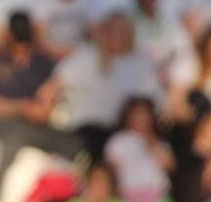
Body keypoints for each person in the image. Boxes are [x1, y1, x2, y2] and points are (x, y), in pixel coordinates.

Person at [0, 12, 79, 181]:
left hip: (34, 126)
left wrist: (43, 109)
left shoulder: (42, 62)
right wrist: (21, 108)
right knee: (12, 141)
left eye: (25, 47)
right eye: (17, 47)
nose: (21, 53)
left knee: (73, 144)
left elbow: (49, 100)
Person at [48, 12, 163, 160]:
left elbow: (154, 106)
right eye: (112, 30)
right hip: (84, 132)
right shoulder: (84, 56)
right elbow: (53, 88)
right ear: (103, 31)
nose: (117, 35)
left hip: (124, 136)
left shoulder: (141, 64)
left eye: (123, 31)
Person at [105, 96, 175, 202]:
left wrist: (151, 141)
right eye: (137, 114)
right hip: (128, 195)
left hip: (157, 196)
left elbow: (169, 165)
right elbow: (111, 170)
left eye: (145, 114)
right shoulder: (118, 140)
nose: (141, 119)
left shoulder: (160, 142)